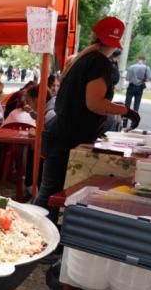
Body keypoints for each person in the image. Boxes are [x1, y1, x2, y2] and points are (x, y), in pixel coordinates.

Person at [33, 17, 140, 220]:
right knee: (52, 196)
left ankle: (41, 240)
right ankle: (38, 241)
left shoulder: (81, 58)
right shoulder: (99, 62)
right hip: (69, 136)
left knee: (49, 194)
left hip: (61, 132)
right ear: (117, 42)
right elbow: (95, 103)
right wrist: (125, 110)